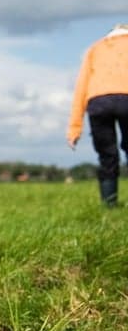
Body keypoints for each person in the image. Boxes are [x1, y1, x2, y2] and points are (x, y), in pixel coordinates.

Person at [66, 23, 128, 207]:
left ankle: (109, 204)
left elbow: (81, 87)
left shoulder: (95, 48)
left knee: (107, 154)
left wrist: (74, 129)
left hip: (98, 102)